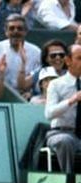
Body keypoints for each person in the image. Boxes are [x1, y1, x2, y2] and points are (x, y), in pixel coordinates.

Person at [44, 44, 81, 173]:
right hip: (61, 132)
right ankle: (68, 181)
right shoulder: (56, 84)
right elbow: (49, 114)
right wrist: (71, 101)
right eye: (79, 58)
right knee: (65, 141)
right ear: (68, 61)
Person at [0, 13, 40, 94]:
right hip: (0, 92)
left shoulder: (36, 52)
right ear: (6, 31)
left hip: (26, 96)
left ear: (25, 31)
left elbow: (37, 81)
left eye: (19, 28)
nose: (15, 31)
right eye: (11, 28)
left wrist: (30, 93)